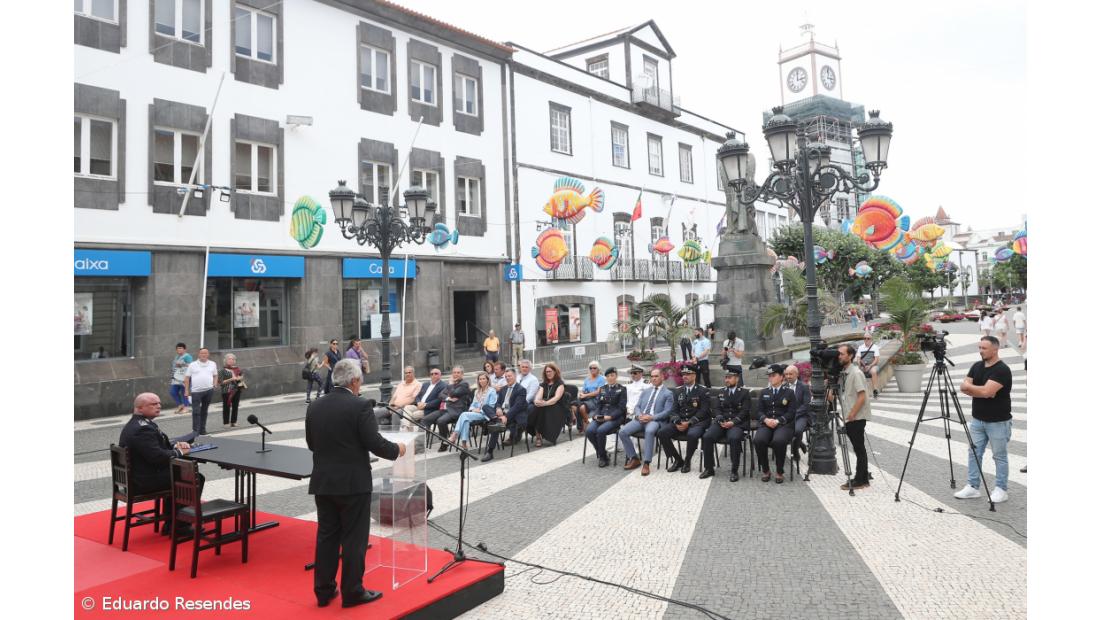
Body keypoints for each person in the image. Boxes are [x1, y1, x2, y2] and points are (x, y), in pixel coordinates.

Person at [306, 359, 404, 609]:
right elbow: (374, 442)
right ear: (354, 380)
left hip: (324, 482)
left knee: (327, 536)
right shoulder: (360, 405)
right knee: (353, 539)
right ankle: (353, 591)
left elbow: (311, 443)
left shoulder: (315, 406)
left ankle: (323, 591)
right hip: (353, 484)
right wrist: (398, 449)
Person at [118, 392, 197, 536]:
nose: (159, 406)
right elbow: (158, 457)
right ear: (140, 408)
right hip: (144, 481)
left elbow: (154, 448)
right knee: (191, 477)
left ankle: (172, 522)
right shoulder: (142, 429)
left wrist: (174, 447)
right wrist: (179, 452)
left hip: (140, 476)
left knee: (180, 476)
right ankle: (179, 526)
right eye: (153, 404)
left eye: (159, 403)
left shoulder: (138, 423)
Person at [954, 336, 1013, 503]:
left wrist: (976, 390)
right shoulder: (976, 366)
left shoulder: (1002, 370)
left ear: (995, 349)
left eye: (984, 348)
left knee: (999, 456)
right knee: (974, 453)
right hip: (978, 420)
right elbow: (964, 387)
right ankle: (973, 487)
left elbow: (986, 392)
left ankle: (1001, 489)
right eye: (979, 347)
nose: (980, 351)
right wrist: (981, 391)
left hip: (998, 421)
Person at [619, 368, 675, 476]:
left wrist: (651, 417)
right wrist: (640, 415)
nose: (653, 379)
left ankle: (646, 463)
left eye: (656, 376)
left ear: (662, 377)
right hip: (641, 418)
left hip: (655, 420)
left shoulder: (668, 393)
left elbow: (668, 411)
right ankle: (634, 458)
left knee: (649, 431)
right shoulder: (646, 391)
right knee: (623, 432)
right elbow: (637, 406)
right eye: (652, 376)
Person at [700, 368, 751, 481]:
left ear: (737, 378)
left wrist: (733, 422)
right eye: (726, 377)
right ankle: (709, 468)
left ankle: (734, 470)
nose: (727, 380)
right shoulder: (721, 391)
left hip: (736, 423)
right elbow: (716, 408)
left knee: (734, 438)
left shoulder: (744, 393)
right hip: (722, 423)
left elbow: (745, 411)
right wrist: (720, 419)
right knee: (707, 437)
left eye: (730, 377)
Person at [657, 366, 711, 473]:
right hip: (681, 421)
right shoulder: (678, 391)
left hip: (697, 422)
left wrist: (690, 422)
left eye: (688, 374)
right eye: (683, 375)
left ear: (694, 375)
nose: (685, 377)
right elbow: (673, 410)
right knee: (662, 433)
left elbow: (704, 411)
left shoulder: (703, 391)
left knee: (692, 435)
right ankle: (678, 460)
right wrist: (677, 421)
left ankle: (687, 461)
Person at [837, 345, 873, 490]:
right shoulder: (844, 372)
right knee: (859, 448)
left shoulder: (856, 373)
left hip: (855, 417)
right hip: (850, 416)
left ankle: (860, 480)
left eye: (841, 354)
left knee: (859, 449)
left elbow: (862, 396)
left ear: (850, 356)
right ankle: (863, 476)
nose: (838, 356)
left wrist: (852, 414)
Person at [753, 364, 795, 483]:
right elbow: (759, 411)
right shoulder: (764, 392)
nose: (770, 378)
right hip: (767, 423)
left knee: (779, 441)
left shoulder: (789, 393)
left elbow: (791, 412)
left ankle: (779, 471)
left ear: (782, 377)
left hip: (783, 424)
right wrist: (765, 420)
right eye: (769, 376)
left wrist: (778, 420)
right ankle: (766, 470)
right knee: (758, 440)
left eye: (773, 375)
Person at [481, 368, 528, 462]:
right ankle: (496, 419)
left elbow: (517, 407)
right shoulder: (504, 389)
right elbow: (498, 402)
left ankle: (490, 452)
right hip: (501, 414)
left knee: (496, 426)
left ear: (515, 376)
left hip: (513, 416)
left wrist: (506, 416)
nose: (507, 378)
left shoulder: (521, 389)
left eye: (509, 376)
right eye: (506, 376)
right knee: (485, 406)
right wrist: (498, 408)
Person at [584, 368, 627, 467]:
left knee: (600, 431)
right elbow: (598, 405)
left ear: (616, 376)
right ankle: (603, 452)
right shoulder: (603, 388)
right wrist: (595, 416)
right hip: (601, 416)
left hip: (615, 418)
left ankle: (602, 458)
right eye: (608, 376)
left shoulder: (622, 389)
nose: (610, 378)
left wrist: (609, 417)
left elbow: (621, 408)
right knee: (589, 431)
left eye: (612, 375)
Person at [421, 366, 471, 450]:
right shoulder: (451, 384)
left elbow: (453, 393)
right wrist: (448, 398)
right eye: (454, 372)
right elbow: (441, 395)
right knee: (425, 420)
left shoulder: (464, 384)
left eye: (458, 373)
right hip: (445, 409)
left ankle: (444, 442)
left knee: (440, 421)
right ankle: (421, 443)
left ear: (462, 374)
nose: (455, 374)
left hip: (456, 410)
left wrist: (450, 386)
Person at [451, 372, 498, 449]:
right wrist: (473, 409)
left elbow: (491, 406)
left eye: (484, 379)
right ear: (478, 381)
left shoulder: (492, 391)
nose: (482, 381)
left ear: (487, 380)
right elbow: (472, 405)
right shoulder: (477, 391)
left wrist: (480, 410)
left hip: (485, 414)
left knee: (464, 415)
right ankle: (464, 443)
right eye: (480, 379)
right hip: (476, 413)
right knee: (465, 420)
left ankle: (455, 434)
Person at [528, 362, 567, 447]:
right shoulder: (544, 384)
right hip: (544, 405)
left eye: (550, 371)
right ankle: (538, 436)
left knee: (539, 410)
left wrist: (544, 403)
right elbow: (538, 396)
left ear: (555, 372)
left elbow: (556, 398)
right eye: (547, 372)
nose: (548, 373)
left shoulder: (560, 383)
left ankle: (542, 436)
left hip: (557, 406)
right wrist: (537, 401)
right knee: (535, 408)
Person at [184, 347, 218, 436]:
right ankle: (195, 431)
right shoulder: (192, 365)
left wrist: (214, 384)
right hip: (196, 392)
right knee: (196, 412)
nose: (204, 355)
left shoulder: (212, 364)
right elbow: (187, 378)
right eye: (202, 353)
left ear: (208, 354)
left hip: (209, 390)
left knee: (204, 410)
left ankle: (202, 429)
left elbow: (215, 375)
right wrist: (186, 391)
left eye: (205, 353)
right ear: (199, 354)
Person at [783, 364, 811, 462]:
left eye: (790, 374)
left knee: (798, 431)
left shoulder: (804, 387)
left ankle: (795, 451)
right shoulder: (783, 387)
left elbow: (806, 405)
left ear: (796, 374)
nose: (788, 376)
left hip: (801, 416)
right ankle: (800, 443)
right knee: (781, 429)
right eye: (786, 374)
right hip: (787, 416)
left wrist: (795, 413)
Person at [511, 359, 540, 445]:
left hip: (527, 403)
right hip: (516, 402)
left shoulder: (533, 379)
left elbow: (531, 395)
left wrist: (519, 403)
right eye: (522, 367)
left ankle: (516, 433)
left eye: (526, 367)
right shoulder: (518, 377)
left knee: (516, 412)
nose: (524, 369)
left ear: (530, 369)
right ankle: (515, 432)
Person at [574, 361, 607, 433]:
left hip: (596, 399)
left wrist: (585, 395)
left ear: (598, 369)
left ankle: (587, 423)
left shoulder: (601, 379)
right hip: (586, 398)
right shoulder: (587, 379)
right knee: (574, 405)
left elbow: (599, 392)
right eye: (590, 368)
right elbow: (583, 390)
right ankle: (579, 424)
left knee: (582, 407)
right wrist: (581, 394)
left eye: (594, 368)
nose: (592, 369)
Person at [219, 353, 246, 427]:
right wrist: (231, 379)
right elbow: (221, 382)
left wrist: (240, 378)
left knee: (235, 406)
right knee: (226, 407)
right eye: (229, 359)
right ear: (225, 360)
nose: (231, 360)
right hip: (226, 391)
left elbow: (241, 376)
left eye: (233, 359)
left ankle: (234, 421)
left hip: (237, 390)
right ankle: (226, 422)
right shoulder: (223, 370)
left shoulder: (237, 369)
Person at [170, 343, 192, 414]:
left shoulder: (187, 356)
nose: (179, 350)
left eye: (181, 348)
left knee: (184, 392)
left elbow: (191, 366)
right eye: (178, 348)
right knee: (173, 392)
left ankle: (186, 407)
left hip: (184, 378)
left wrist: (182, 364)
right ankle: (180, 405)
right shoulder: (177, 357)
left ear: (184, 349)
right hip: (176, 378)